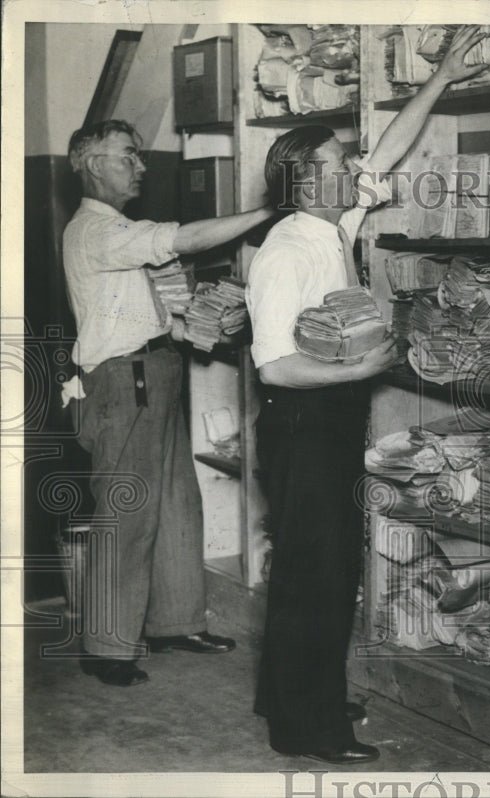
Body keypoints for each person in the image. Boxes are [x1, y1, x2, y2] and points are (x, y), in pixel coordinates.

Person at [246, 26, 488, 764]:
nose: (356, 167)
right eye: (339, 162)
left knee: (315, 568)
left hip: (327, 421)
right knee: (317, 576)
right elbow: (274, 367)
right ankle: (308, 728)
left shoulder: (331, 223)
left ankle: (290, 694)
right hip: (301, 420)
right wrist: (360, 371)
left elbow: (388, 151)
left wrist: (443, 75)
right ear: (306, 179)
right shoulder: (284, 250)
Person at [63, 119, 276, 687]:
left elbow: (146, 310)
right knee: (126, 514)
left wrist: (206, 325)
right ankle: (106, 648)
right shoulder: (94, 231)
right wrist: (267, 213)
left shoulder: (119, 227)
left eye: (139, 155)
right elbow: (180, 238)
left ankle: (175, 621)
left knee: (179, 503)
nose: (140, 165)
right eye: (127, 155)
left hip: (156, 370)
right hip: (122, 381)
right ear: (90, 163)